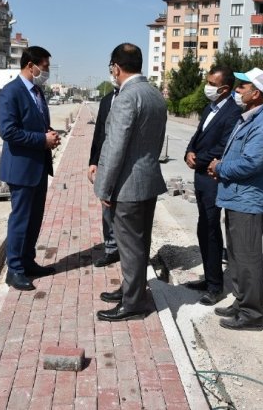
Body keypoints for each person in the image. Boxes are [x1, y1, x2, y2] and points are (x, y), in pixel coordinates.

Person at [94, 43, 168, 322]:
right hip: (147, 181)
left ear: (115, 66)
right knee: (139, 244)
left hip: (127, 186)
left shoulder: (127, 96)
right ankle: (130, 289)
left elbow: (115, 147)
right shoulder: (154, 95)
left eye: (111, 67)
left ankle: (134, 303)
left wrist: (105, 187)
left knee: (130, 246)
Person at [207, 67, 263, 331]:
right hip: (235, 197)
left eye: (243, 86)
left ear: (256, 93)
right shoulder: (248, 118)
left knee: (248, 259)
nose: (237, 90)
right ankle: (241, 302)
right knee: (236, 257)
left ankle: (251, 314)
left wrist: (220, 168)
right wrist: (222, 165)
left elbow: (251, 164)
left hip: (247, 200)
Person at [0, 46, 61, 291]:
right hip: (21, 169)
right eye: (44, 66)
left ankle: (27, 261)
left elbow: (37, 124)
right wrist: (41, 140)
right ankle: (14, 270)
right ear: (30, 65)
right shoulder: (10, 93)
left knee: (35, 220)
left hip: (38, 167)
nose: (46, 71)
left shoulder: (38, 92)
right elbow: (8, 131)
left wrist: (50, 134)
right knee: (20, 220)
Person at [183, 66, 241, 305]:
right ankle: (208, 277)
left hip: (213, 178)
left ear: (224, 88)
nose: (207, 87)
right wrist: (189, 152)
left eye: (211, 83)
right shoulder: (209, 108)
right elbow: (197, 136)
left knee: (211, 229)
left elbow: (225, 147)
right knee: (203, 228)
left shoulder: (233, 112)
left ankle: (216, 286)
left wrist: (201, 159)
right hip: (200, 176)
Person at [88, 87, 120, 267]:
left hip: (126, 164)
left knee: (124, 210)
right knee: (106, 207)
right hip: (105, 162)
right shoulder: (107, 99)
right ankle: (111, 248)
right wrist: (93, 161)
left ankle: (126, 250)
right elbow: (99, 133)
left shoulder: (131, 96)